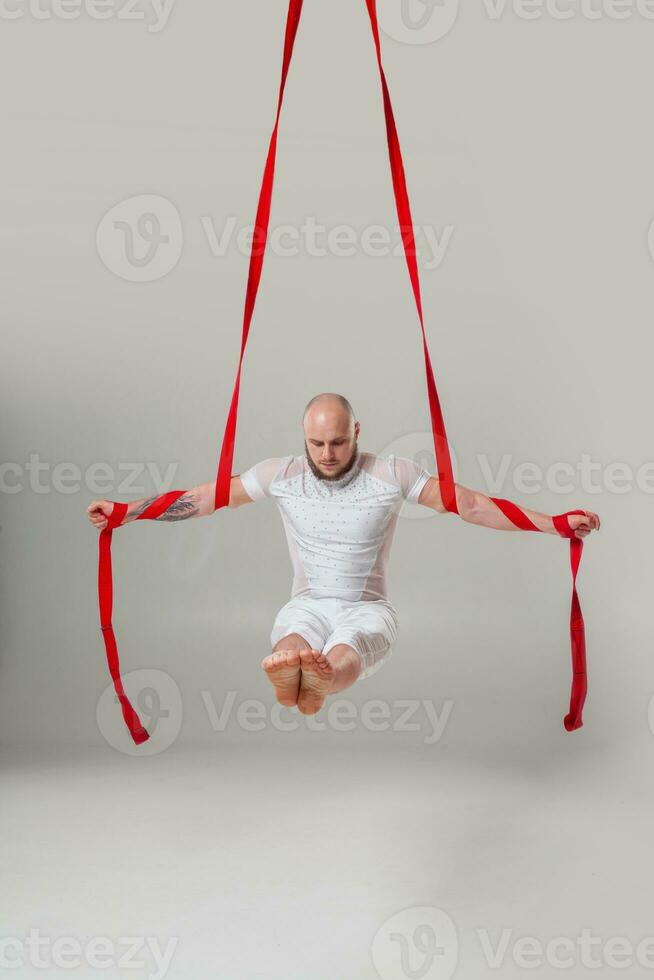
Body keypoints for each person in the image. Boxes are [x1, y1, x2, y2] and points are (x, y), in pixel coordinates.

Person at [87, 392, 600, 717]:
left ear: (357, 432)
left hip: (366, 607)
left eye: (336, 441)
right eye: (316, 444)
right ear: (303, 439)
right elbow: (204, 498)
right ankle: (296, 676)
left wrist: (554, 524)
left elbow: (467, 504)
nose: (327, 454)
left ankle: (322, 681)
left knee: (345, 653)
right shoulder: (280, 473)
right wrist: (125, 512)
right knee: (290, 641)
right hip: (307, 602)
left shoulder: (392, 473)